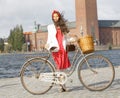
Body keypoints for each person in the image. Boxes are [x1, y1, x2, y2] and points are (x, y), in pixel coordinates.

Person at [45, 10, 71, 92]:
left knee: (63, 69)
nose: (55, 18)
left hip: (63, 48)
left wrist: (73, 40)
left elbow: (67, 37)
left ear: (59, 17)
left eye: (56, 16)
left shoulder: (63, 26)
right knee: (59, 68)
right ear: (52, 18)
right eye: (54, 16)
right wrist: (47, 44)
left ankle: (63, 85)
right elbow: (49, 37)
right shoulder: (50, 27)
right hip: (56, 49)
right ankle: (61, 86)